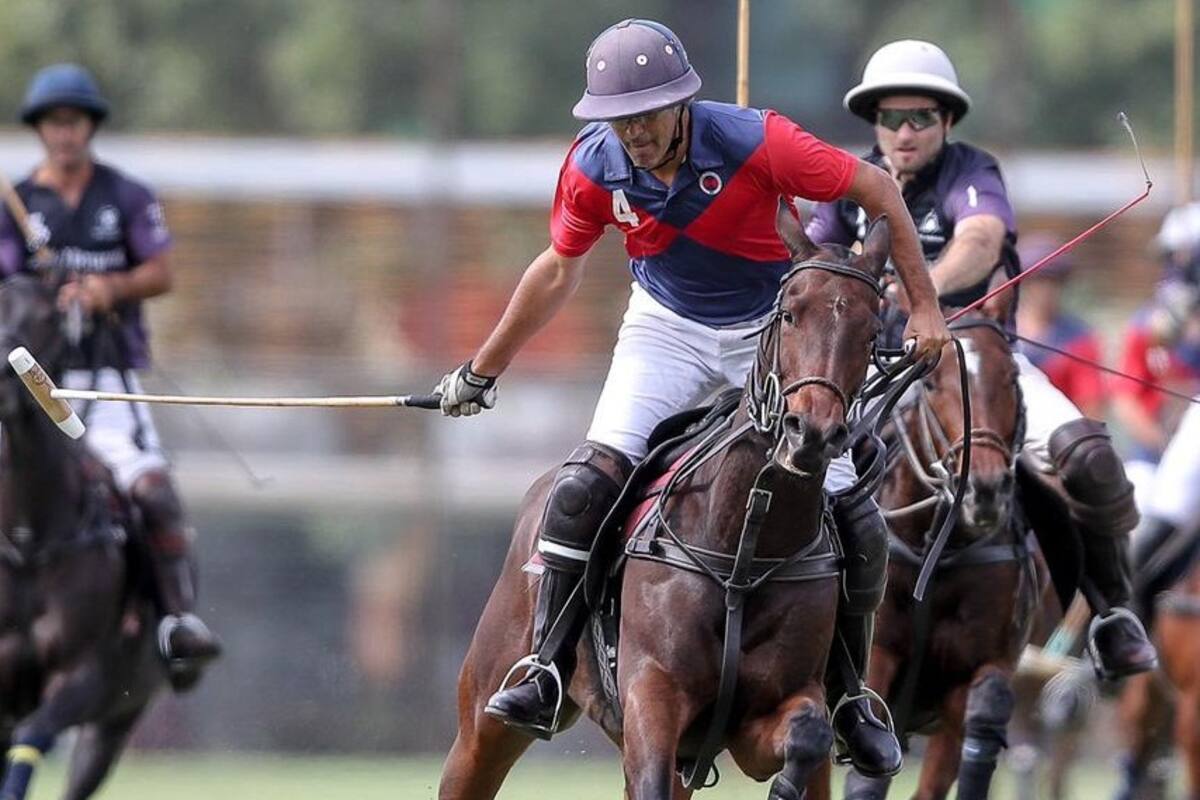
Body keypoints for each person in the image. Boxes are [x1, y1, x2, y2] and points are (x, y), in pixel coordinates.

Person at [433, 19, 950, 776]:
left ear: (682, 104)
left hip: (772, 338)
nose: (633, 132)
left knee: (854, 514)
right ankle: (544, 667)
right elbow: (557, 269)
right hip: (665, 331)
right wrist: (483, 369)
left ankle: (846, 696)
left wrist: (926, 304)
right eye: (618, 117)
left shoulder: (758, 141)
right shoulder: (593, 167)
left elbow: (875, 189)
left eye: (646, 113)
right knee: (582, 487)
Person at [806, 39, 1157, 681]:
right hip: (876, 370)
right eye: (891, 118)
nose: (904, 132)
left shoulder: (973, 174)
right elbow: (817, 263)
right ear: (874, 123)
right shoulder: (844, 184)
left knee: (1090, 454)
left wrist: (923, 289)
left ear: (946, 122)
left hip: (977, 360)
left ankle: (1111, 612)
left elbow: (980, 239)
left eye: (920, 118)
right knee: (792, 461)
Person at [0, 64, 221, 690]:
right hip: (28, 385)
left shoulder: (125, 195)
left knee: (150, 487)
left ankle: (176, 621)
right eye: (53, 123)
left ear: (89, 127)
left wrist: (107, 287)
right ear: (41, 131)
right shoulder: (17, 204)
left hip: (109, 378)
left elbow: (161, 272)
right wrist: (46, 291)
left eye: (73, 122)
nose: (63, 134)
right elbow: (7, 288)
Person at [1014, 235, 1106, 419]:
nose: (1046, 290)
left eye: (1055, 281)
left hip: (1059, 437)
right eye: (1038, 281)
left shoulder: (1079, 338)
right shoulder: (1000, 332)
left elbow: (1091, 405)